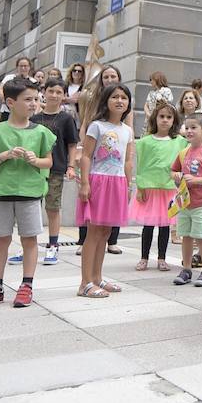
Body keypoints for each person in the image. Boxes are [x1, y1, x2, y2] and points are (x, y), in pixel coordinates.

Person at [0, 80, 55, 308]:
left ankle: (26, 285)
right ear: (10, 102)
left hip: (30, 192)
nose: (34, 104)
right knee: (1, 239)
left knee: (30, 239)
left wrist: (34, 160)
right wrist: (4, 155)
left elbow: (48, 161)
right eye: (28, 99)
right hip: (3, 192)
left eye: (36, 99)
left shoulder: (42, 133)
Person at [76, 83, 135, 298]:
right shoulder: (96, 126)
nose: (120, 101)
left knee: (106, 232)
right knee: (93, 232)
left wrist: (128, 185)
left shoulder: (127, 130)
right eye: (115, 97)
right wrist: (84, 183)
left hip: (118, 182)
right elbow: (85, 155)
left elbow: (128, 160)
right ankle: (85, 283)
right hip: (98, 181)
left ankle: (97, 277)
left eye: (124, 97)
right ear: (106, 101)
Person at [133, 101, 186, 272]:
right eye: (161, 116)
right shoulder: (146, 141)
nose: (164, 120)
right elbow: (141, 165)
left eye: (169, 117)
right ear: (155, 118)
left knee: (165, 225)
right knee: (148, 226)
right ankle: (144, 258)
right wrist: (140, 187)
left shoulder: (179, 141)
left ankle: (162, 258)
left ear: (174, 120)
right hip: (150, 188)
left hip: (169, 189)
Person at [77, 64, 125, 255]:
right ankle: (83, 242)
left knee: (108, 222)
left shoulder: (123, 108)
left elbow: (126, 133)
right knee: (91, 216)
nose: (110, 80)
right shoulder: (93, 101)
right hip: (96, 164)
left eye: (114, 76)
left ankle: (112, 242)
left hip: (116, 171)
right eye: (106, 77)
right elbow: (85, 123)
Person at [31, 80, 80, 264]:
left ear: (63, 95)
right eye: (51, 91)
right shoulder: (34, 119)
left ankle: (53, 245)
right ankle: (29, 246)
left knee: (52, 207)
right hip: (35, 168)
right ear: (44, 92)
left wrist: (70, 166)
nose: (54, 95)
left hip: (57, 168)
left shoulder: (66, 118)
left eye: (58, 92)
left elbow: (72, 144)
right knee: (31, 207)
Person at [170, 114, 202, 287]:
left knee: (201, 238)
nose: (189, 131)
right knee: (185, 237)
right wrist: (176, 176)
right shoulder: (183, 152)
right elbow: (173, 171)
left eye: (194, 127)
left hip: (201, 203)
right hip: (184, 203)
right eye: (187, 127)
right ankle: (186, 269)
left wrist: (197, 180)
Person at [0, 56, 33, 120]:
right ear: (17, 67)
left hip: (26, 112)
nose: (23, 68)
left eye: (25, 66)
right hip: (8, 111)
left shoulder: (33, 81)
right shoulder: (9, 78)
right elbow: (0, 92)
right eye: (21, 66)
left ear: (29, 67)